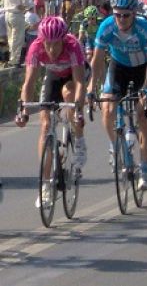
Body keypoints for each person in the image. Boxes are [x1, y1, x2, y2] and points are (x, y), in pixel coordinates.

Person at [87, 0, 147, 191]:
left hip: (142, 69)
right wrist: (91, 87)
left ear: (134, 14)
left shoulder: (144, 28)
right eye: (117, 14)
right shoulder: (107, 26)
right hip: (118, 67)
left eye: (126, 15)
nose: (121, 19)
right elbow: (97, 60)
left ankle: (145, 168)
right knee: (108, 109)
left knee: (142, 115)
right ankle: (115, 145)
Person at [16, 17, 87, 207]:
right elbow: (29, 83)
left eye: (56, 44)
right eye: (48, 43)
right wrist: (23, 111)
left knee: (69, 93)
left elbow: (80, 83)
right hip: (54, 75)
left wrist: (78, 111)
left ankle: (79, 140)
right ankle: (45, 184)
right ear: (42, 40)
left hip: (74, 75)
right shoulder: (35, 47)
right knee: (45, 125)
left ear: (63, 40)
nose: (52, 49)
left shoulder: (73, 46)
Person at [0, 0, 34, 67]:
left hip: (7, 14)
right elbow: (27, 1)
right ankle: (14, 61)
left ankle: (11, 58)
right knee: (18, 38)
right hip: (17, 15)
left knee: (11, 38)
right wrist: (28, 6)